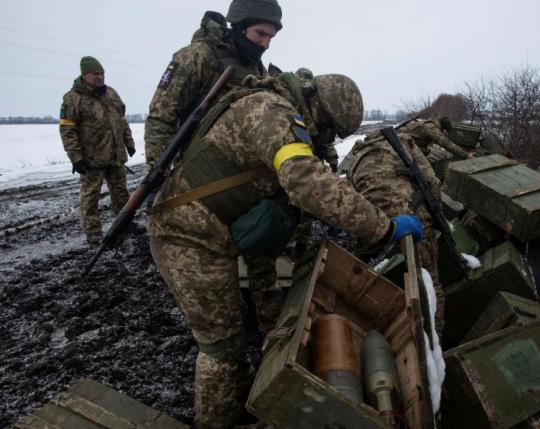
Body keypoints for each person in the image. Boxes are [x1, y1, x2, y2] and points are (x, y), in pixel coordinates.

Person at [148, 72, 423, 428]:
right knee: (221, 347)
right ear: (318, 108)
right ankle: (215, 421)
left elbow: (294, 185)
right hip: (187, 237)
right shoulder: (270, 109)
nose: (327, 138)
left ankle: (245, 399)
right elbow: (305, 180)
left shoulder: (278, 108)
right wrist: (382, 226)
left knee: (234, 338)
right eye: (330, 129)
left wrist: (335, 213)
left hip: (212, 233)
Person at [144, 0, 283, 172]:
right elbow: (161, 117)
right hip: (197, 170)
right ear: (241, 26)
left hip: (238, 173)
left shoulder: (257, 67)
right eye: (261, 33)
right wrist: (156, 171)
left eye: (271, 37)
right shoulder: (198, 56)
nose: (265, 44)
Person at [348, 126, 447, 336]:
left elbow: (354, 204)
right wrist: (438, 218)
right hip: (414, 220)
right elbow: (431, 181)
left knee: (384, 281)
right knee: (429, 283)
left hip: (377, 227)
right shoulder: (403, 141)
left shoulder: (355, 162)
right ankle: (434, 341)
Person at [59, 56, 136, 244]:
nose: (100, 77)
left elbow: (122, 120)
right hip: (91, 159)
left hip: (116, 155)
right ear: (85, 75)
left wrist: (129, 142)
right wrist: (75, 157)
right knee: (90, 197)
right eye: (95, 74)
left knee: (121, 193)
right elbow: (67, 130)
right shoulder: (73, 98)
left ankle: (125, 225)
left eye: (102, 73)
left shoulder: (111, 94)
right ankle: (93, 232)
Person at [404, 116, 474, 160]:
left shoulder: (432, 125)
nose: (446, 135)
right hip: (401, 144)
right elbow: (445, 143)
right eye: (446, 133)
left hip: (406, 143)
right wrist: (466, 155)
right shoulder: (431, 128)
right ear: (444, 129)